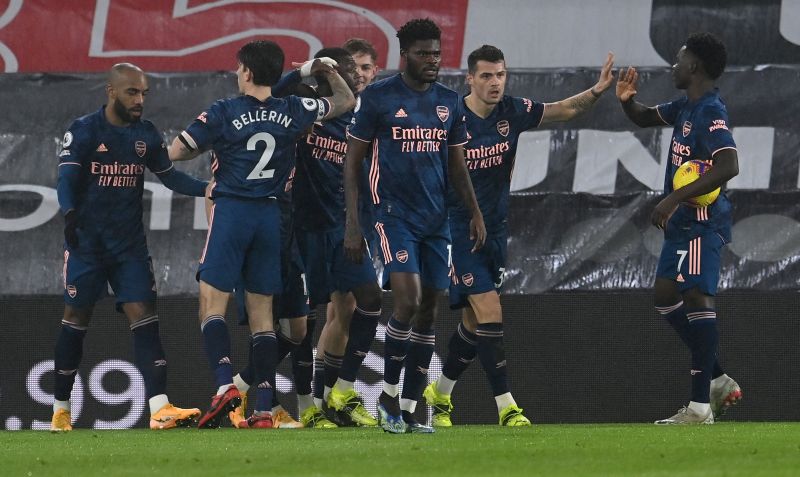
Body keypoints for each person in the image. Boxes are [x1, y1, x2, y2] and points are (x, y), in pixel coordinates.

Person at [422, 45, 615, 427]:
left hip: (495, 231)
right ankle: (507, 407)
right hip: (457, 232)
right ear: (470, 79)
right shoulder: (448, 119)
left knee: (474, 326)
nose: (496, 83)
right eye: (487, 76)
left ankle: (439, 394)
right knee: (491, 314)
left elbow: (563, 110)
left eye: (501, 75)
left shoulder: (513, 111)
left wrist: (597, 90)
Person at [169, 40, 355, 429]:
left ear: (247, 72)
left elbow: (179, 151)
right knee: (263, 317)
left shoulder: (223, 111)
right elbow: (344, 101)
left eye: (240, 69)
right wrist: (322, 71)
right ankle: (264, 410)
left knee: (211, 303)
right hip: (271, 217)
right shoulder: (295, 110)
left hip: (233, 211)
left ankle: (224, 387)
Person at [343, 18, 486, 434]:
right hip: (392, 217)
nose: (433, 60)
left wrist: (474, 212)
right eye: (424, 53)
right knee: (406, 300)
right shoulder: (378, 97)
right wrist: (354, 224)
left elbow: (457, 165)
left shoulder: (448, 102)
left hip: (435, 221)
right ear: (405, 55)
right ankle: (386, 397)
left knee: (429, 309)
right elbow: (352, 165)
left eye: (437, 53)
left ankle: (408, 408)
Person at [52, 63, 207, 432]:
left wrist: (210, 189)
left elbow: (170, 177)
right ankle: (60, 409)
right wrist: (70, 214)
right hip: (87, 245)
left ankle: (159, 409)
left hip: (129, 248)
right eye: (132, 93)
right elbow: (66, 179)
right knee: (76, 320)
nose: (140, 100)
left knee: (145, 317)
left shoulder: (147, 134)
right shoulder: (85, 130)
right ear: (111, 91)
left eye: (143, 93)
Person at [615, 32, 742, 424]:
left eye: (678, 59)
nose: (673, 65)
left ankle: (700, 407)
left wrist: (672, 197)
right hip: (682, 225)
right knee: (665, 296)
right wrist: (627, 102)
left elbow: (729, 166)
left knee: (697, 298)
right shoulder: (685, 107)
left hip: (702, 224)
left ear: (694, 67)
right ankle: (717, 376)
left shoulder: (710, 111)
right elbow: (645, 117)